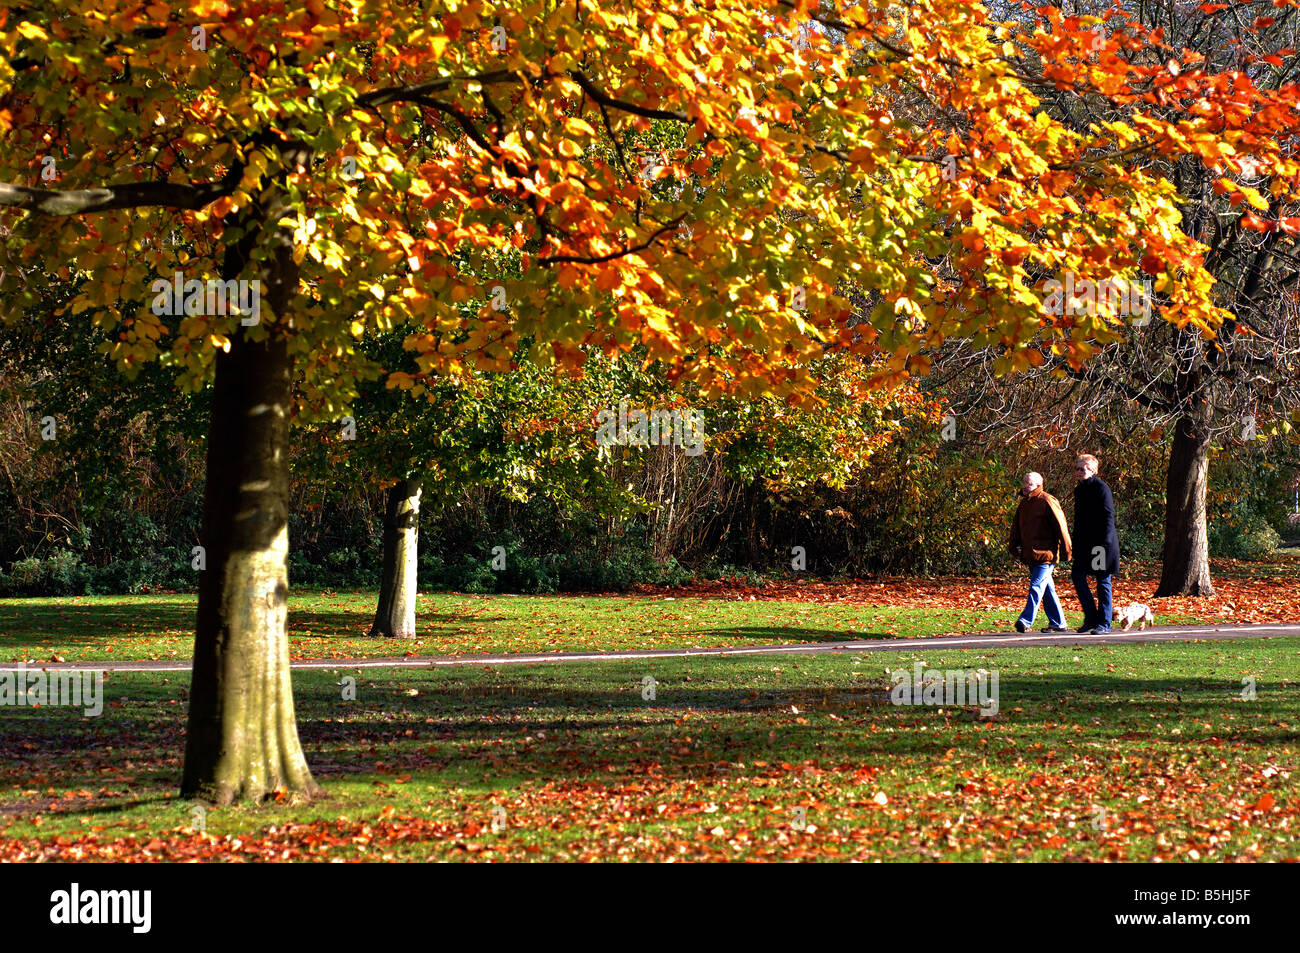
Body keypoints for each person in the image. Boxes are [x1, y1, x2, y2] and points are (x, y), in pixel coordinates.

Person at [1008, 471, 1072, 633]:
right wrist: (1013, 546)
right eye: (1023, 482)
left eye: (1028, 483)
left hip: (1046, 554)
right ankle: (1058, 623)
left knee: (1036, 587)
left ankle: (1025, 620)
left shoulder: (1047, 500)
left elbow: (1061, 527)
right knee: (1047, 589)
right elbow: (1016, 527)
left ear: (1038, 485)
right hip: (1031, 554)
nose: (1024, 485)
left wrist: (1066, 551)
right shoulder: (1024, 503)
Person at [1071, 453, 1120, 634]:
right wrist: (1074, 542)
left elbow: (1108, 516)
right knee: (1077, 576)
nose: (1079, 471)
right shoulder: (1079, 490)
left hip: (1100, 545)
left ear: (1093, 470)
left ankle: (1104, 623)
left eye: (1082, 468)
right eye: (1077, 468)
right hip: (1084, 544)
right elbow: (1078, 519)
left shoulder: (1101, 488)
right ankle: (1091, 618)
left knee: (1102, 581)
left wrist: (1105, 543)